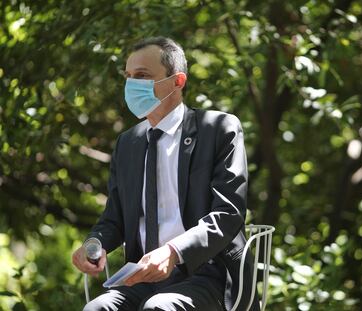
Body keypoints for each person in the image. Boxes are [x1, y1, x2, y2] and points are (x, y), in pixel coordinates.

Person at [72, 36, 259, 311]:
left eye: (143, 76)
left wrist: (174, 252)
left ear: (178, 81)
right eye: (129, 76)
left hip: (209, 275)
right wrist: (94, 244)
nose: (132, 84)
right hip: (142, 277)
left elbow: (228, 215)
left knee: (159, 308)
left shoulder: (218, 129)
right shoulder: (128, 143)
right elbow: (114, 219)